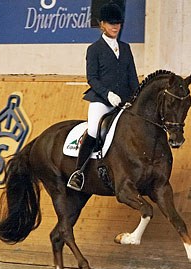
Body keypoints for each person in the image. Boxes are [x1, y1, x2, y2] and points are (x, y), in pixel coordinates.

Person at [67, 2, 139, 191]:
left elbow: (133, 77)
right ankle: (79, 173)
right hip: (102, 100)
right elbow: (92, 78)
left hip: (124, 101)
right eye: (110, 23)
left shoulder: (126, 48)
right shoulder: (94, 49)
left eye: (118, 23)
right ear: (102, 25)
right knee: (93, 130)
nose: (115, 27)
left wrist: (136, 97)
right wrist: (108, 94)